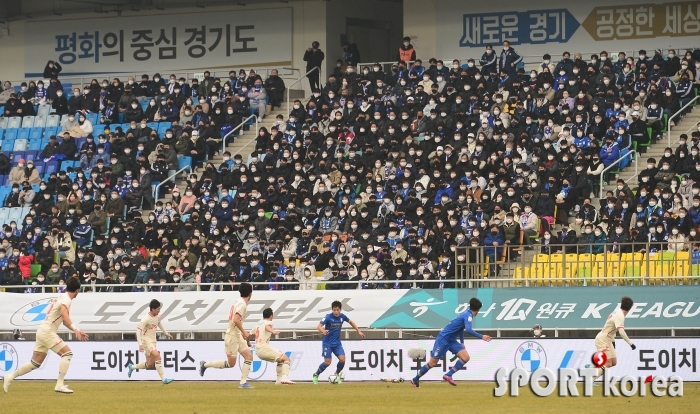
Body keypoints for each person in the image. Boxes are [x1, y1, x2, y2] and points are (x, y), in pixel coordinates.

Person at [3, 277, 89, 394]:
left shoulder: (62, 297)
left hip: (42, 330)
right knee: (67, 354)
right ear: (77, 290)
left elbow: (64, 321)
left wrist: (76, 330)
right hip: (47, 331)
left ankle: (9, 377)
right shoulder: (67, 300)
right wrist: (75, 329)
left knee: (35, 363)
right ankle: (59, 385)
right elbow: (64, 315)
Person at [410, 297, 492, 388]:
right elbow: (468, 329)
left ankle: (448, 374)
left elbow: (461, 328)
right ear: (478, 309)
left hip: (452, 340)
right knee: (433, 363)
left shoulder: (466, 314)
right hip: (443, 339)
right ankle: (415, 379)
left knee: (465, 357)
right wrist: (482, 336)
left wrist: (462, 342)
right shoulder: (468, 316)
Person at [199, 282, 255, 388]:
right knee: (231, 364)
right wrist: (244, 332)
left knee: (249, 356)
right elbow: (236, 320)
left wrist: (241, 333)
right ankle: (205, 364)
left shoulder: (238, 302)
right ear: (250, 294)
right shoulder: (242, 304)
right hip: (233, 336)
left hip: (236, 334)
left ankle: (243, 383)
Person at [585, 296, 636, 385]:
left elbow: (611, 327)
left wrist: (613, 340)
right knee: (607, 363)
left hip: (608, 339)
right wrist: (630, 343)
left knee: (613, 363)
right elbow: (621, 332)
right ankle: (591, 379)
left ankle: (591, 367)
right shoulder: (620, 315)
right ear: (630, 308)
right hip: (603, 339)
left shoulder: (617, 311)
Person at [312, 300, 365, 384]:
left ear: (340, 309)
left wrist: (358, 330)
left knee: (342, 360)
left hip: (337, 344)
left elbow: (351, 322)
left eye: (337, 310)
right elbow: (319, 326)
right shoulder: (328, 317)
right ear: (332, 310)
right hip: (327, 343)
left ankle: (336, 374)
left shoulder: (342, 317)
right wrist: (323, 331)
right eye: (334, 310)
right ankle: (316, 374)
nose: (336, 312)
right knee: (327, 362)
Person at [127, 299, 174, 384]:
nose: (159, 310)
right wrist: (140, 344)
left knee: (150, 364)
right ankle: (164, 379)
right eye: (158, 309)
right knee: (157, 356)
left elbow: (159, 323)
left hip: (153, 341)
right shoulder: (145, 319)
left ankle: (132, 367)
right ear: (152, 309)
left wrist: (166, 333)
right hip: (146, 341)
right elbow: (138, 331)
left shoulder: (157, 316)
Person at [251, 308, 295, 385]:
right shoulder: (269, 322)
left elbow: (249, 334)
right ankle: (285, 378)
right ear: (271, 316)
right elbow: (267, 327)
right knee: (287, 359)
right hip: (264, 348)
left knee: (280, 360)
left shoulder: (258, 324)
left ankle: (278, 381)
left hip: (257, 351)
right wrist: (273, 331)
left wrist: (248, 342)